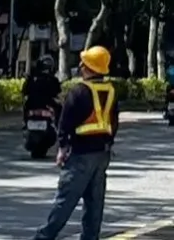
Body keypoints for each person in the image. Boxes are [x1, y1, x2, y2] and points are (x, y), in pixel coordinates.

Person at [33, 46, 118, 240]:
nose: (80, 66)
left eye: (84, 63)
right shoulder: (111, 91)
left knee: (65, 201)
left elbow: (65, 123)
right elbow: (114, 122)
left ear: (88, 67)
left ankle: (43, 237)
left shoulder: (79, 91)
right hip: (102, 154)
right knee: (94, 205)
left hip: (80, 155)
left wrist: (62, 149)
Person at [22, 55, 62, 124]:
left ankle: (25, 123)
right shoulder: (53, 79)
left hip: (32, 104)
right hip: (47, 104)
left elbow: (24, 91)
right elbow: (58, 93)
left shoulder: (31, 79)